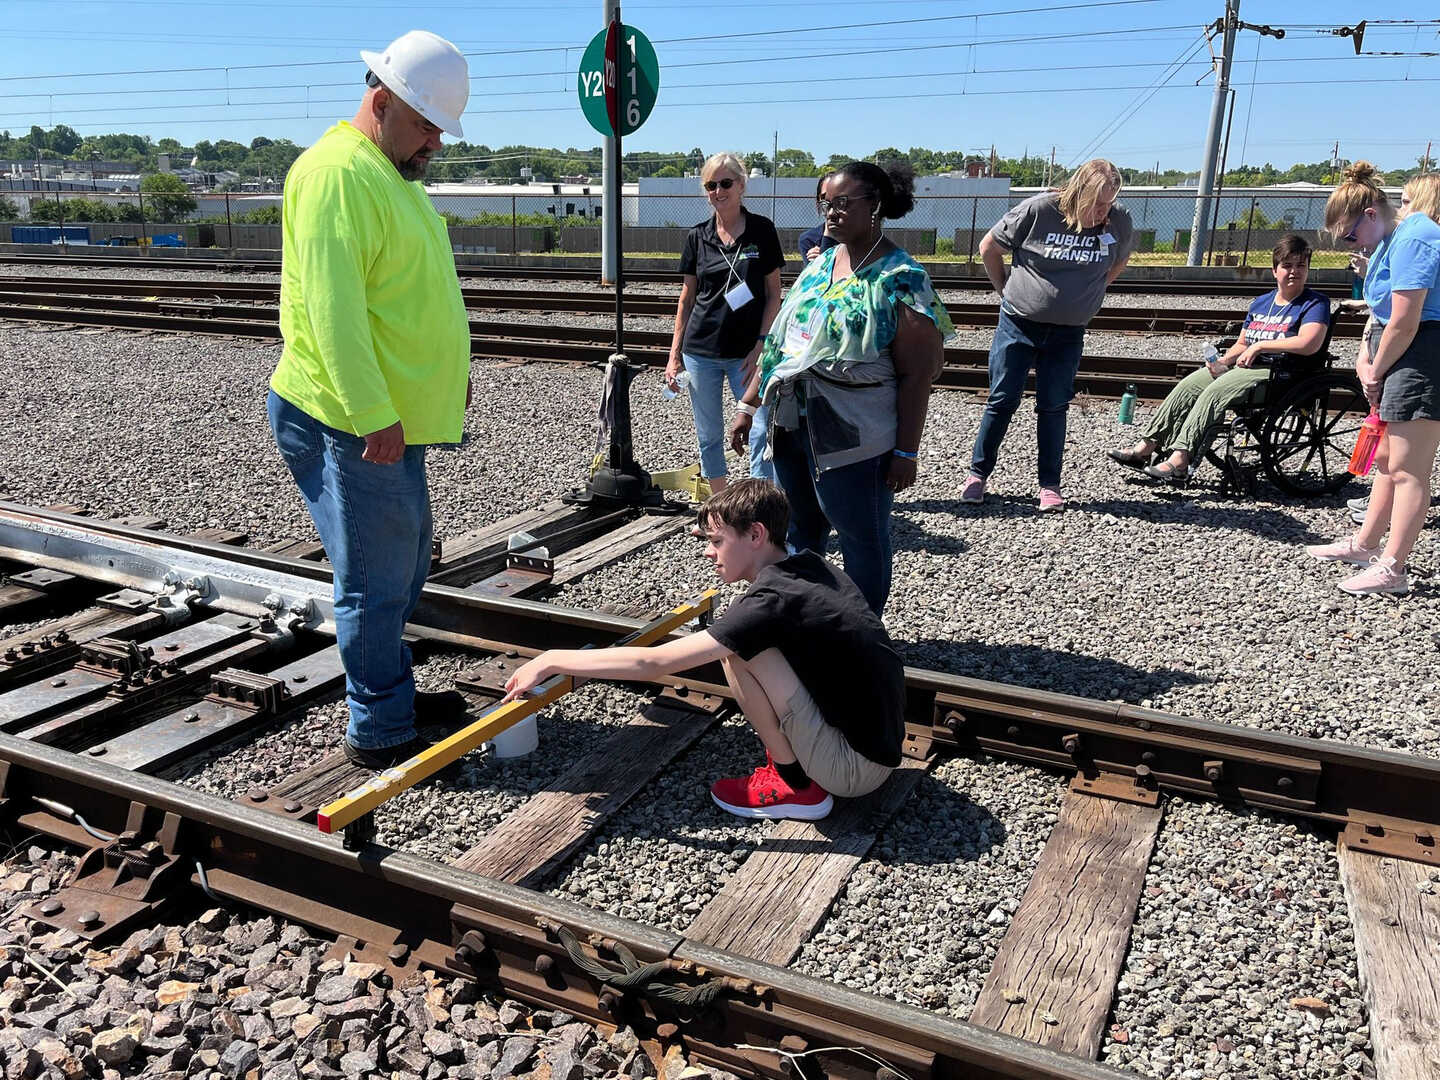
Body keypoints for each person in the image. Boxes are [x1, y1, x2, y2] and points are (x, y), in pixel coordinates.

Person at [267, 30, 472, 769]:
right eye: (425, 125)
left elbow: (410, 291)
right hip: (351, 420)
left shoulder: (387, 172)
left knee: (405, 565)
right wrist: (370, 413)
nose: (435, 144)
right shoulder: (336, 174)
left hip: (390, 419)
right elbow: (335, 311)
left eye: (440, 129)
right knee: (375, 580)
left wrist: (446, 373)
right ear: (380, 101)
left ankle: (391, 692)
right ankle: (380, 726)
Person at [499, 480, 906, 821]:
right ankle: (796, 767)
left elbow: (652, 662)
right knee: (742, 639)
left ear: (756, 535)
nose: (708, 552)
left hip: (851, 770)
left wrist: (552, 659)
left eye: (716, 541)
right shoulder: (809, 566)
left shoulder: (770, 602)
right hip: (878, 747)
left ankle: (795, 785)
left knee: (734, 649)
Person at [727, 161, 953, 616]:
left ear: (876, 205)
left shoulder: (901, 278)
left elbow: (918, 374)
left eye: (843, 203)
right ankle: (810, 618)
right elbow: (781, 345)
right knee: (800, 531)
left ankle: (862, 633)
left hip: (856, 437)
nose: (831, 212)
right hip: (793, 426)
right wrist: (748, 406)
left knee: (861, 536)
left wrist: (906, 452)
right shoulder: (822, 265)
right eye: (825, 203)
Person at [963, 159, 1135, 510]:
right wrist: (1004, 290)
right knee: (1003, 399)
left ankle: (1049, 485)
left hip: (1068, 332)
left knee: (1054, 405)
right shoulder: (1040, 210)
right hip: (1019, 324)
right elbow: (989, 247)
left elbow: (1120, 260)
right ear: (1079, 193)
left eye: (1108, 203)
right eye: (1096, 203)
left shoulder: (1119, 220)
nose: (1103, 212)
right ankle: (977, 475)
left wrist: (1091, 291)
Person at [1306, 162, 1440, 596]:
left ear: (1369, 214)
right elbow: (1382, 315)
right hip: (1399, 353)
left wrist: (1375, 369)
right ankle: (1366, 545)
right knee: (1385, 458)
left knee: (1409, 468)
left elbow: (1405, 320)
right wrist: (1368, 360)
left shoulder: (1415, 237)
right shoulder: (1390, 241)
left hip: (1421, 354)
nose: (1352, 244)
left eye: (1349, 235)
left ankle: (1393, 568)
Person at [1107, 235, 1330, 482]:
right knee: (1189, 386)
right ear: (1274, 270)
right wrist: (1222, 361)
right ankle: (1146, 447)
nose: (1294, 271)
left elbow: (1309, 344)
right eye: (1287, 265)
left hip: (1279, 373)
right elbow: (1242, 344)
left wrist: (1261, 347)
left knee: (1215, 392)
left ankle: (1181, 459)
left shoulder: (1315, 303)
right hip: (1245, 367)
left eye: (1301, 265)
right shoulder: (1261, 303)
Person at [666, 153, 783, 490]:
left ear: (741, 185)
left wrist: (762, 345)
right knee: (709, 435)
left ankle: (761, 506)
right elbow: (687, 299)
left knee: (760, 429)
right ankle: (719, 507)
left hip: (748, 353)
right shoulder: (697, 236)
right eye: (710, 185)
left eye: (725, 183)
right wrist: (674, 356)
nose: (718, 191)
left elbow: (774, 294)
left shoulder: (762, 230)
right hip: (700, 351)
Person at [797, 172, 838, 263]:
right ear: (818, 201)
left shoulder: (860, 236)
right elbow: (818, 271)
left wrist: (826, 257)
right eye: (824, 197)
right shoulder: (809, 239)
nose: (830, 203)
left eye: (836, 197)